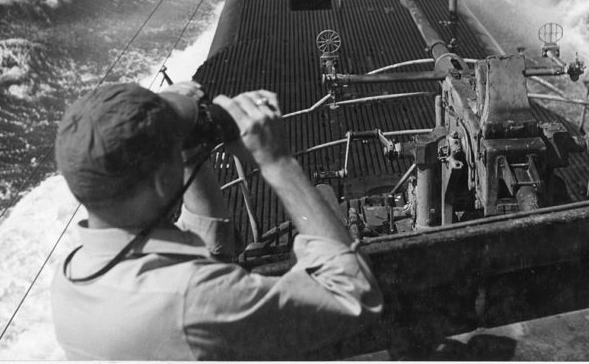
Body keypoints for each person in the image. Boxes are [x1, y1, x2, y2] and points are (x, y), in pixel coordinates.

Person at [51, 81, 383, 360]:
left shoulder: (72, 274)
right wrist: (276, 161)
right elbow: (352, 295)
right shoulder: (191, 298)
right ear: (159, 182)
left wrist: (188, 153)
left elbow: (211, 254)